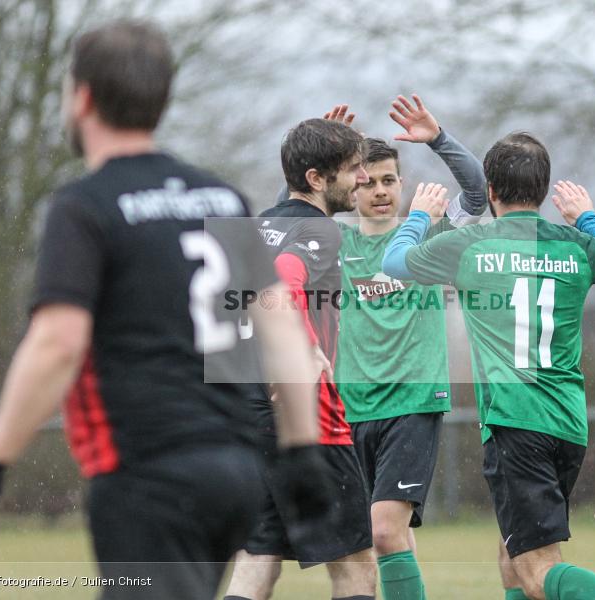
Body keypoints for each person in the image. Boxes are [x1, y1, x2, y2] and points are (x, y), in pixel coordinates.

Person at [0, 20, 327, 600]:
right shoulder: (221, 196)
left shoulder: (85, 206)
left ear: (81, 98)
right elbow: (280, 323)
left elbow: (58, 344)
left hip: (148, 475)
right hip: (233, 472)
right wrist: (301, 451)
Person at [382, 132, 595, 600]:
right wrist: (588, 219)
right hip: (567, 423)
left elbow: (394, 263)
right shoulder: (575, 244)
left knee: (537, 569)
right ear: (543, 191)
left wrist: (420, 216)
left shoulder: (469, 244)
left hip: (516, 423)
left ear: (491, 192)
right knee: (511, 551)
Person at [334, 95, 486, 600]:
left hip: (414, 404)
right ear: (349, 188)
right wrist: (323, 149)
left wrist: (439, 138)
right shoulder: (336, 243)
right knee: (378, 540)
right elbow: (284, 221)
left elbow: (478, 192)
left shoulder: (427, 237)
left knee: (383, 530)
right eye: (366, 181)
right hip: (353, 406)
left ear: (402, 183)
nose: (379, 191)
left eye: (388, 180)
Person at [224, 117, 377, 600]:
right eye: (354, 168)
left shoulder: (260, 226)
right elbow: (284, 286)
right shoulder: (321, 231)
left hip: (246, 415)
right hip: (306, 415)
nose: (365, 179)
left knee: (258, 561)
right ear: (316, 178)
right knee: (354, 566)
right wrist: (306, 349)